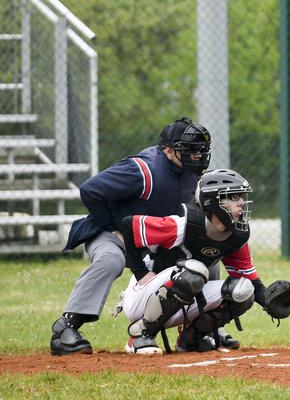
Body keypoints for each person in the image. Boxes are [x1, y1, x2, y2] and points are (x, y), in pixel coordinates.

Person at [50, 117, 212, 356]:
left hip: (153, 238)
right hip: (112, 232)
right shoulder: (144, 169)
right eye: (190, 150)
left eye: (200, 150)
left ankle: (196, 330)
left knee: (204, 257)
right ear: (168, 150)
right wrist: (115, 228)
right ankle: (66, 328)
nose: (197, 155)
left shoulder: (191, 172)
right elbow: (90, 190)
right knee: (110, 260)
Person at [116, 168, 277, 354]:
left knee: (243, 290)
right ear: (213, 202)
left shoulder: (235, 235)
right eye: (233, 197)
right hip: (143, 301)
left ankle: (192, 339)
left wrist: (270, 303)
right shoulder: (183, 225)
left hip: (182, 300)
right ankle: (140, 335)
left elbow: (250, 280)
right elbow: (129, 225)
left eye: (241, 196)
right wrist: (141, 273)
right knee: (194, 271)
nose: (241, 202)